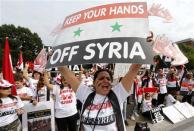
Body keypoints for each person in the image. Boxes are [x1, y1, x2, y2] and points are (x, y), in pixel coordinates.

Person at [57, 64, 141, 131]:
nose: (105, 81)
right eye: (101, 78)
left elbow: (134, 69)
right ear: (94, 83)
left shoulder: (117, 94)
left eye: (108, 79)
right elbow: (65, 71)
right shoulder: (86, 94)